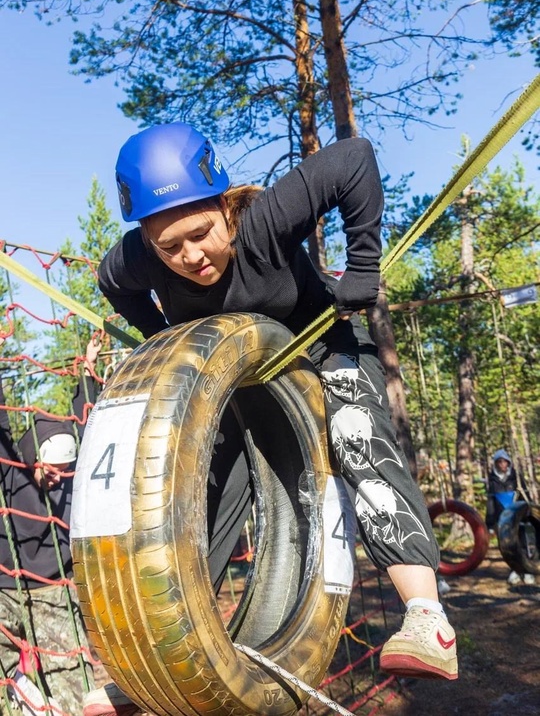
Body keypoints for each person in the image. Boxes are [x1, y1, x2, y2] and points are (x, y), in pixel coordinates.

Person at [87, 123, 458, 716]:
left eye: (201, 234)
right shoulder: (141, 257)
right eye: (169, 248)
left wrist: (362, 264)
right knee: (202, 486)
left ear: (223, 207)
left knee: (356, 439)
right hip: (242, 376)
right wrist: (164, 342)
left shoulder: (261, 220)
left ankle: (426, 619)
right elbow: (111, 281)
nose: (191, 257)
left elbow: (353, 160)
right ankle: (159, 663)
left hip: (322, 345)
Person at [0, 341, 101, 715]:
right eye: (51, 471)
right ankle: (24, 692)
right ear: (35, 458)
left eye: (64, 471)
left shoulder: (73, 475)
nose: (58, 479)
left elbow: (86, 420)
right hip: (5, 588)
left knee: (75, 685)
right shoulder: (12, 470)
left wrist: (88, 373)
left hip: (53, 591)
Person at [485, 448, 535, 586]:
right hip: (503, 520)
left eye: (504, 461)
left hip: (518, 517)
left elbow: (525, 496)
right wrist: (489, 523)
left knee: (522, 542)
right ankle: (515, 570)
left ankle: (527, 571)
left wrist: (528, 513)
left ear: (508, 462)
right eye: (499, 462)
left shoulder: (516, 477)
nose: (502, 464)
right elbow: (491, 502)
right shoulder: (492, 480)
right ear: (495, 464)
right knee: (508, 547)